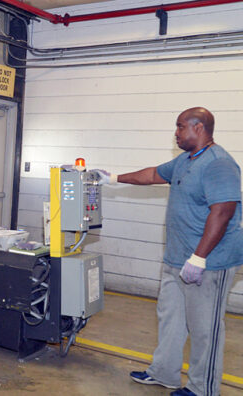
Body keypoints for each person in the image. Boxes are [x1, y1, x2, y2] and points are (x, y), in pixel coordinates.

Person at [95, 107, 242, 396]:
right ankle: (164, 373)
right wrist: (112, 178)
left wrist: (199, 258)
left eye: (180, 127)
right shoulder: (185, 160)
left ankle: (203, 389)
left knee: (205, 329)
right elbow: (152, 174)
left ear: (199, 128)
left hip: (209, 263)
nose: (175, 133)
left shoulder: (219, 164)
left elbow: (223, 212)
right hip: (177, 259)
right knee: (171, 319)